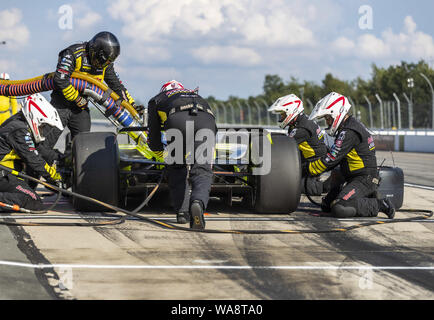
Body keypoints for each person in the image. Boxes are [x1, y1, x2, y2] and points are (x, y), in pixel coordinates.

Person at [42, 31, 143, 153]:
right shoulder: (73, 53)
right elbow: (60, 79)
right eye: (102, 61)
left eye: (107, 62)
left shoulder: (106, 64)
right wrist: (77, 99)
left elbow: (117, 87)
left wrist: (132, 106)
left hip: (81, 108)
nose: (102, 65)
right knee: (45, 144)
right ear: (94, 51)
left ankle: (70, 162)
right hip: (60, 105)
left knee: (84, 146)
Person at [307, 92, 395, 219]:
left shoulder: (348, 132)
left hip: (365, 179)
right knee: (326, 206)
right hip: (352, 175)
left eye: (328, 118)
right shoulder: (348, 126)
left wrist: (307, 169)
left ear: (336, 113)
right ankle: (362, 196)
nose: (327, 122)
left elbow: (331, 159)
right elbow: (334, 158)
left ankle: (379, 204)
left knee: (339, 208)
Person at [147, 80, 216, 229]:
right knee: (202, 170)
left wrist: (162, 156)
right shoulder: (195, 95)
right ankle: (198, 203)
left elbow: (153, 139)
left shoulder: (157, 99)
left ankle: (183, 212)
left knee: (177, 167)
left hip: (177, 119)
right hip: (206, 119)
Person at [0, 93, 64, 212]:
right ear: (34, 117)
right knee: (33, 200)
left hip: (5, 175)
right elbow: (34, 160)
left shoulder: (19, 123)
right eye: (42, 125)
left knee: (30, 194)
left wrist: (59, 158)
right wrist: (55, 176)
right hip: (3, 176)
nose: (42, 129)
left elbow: (39, 150)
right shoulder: (19, 130)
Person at [268, 94, 328, 196]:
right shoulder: (301, 121)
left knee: (287, 184)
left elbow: (284, 146)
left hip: (314, 162)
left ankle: (326, 186)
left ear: (291, 111)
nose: (281, 117)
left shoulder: (302, 128)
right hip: (310, 158)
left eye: (283, 114)